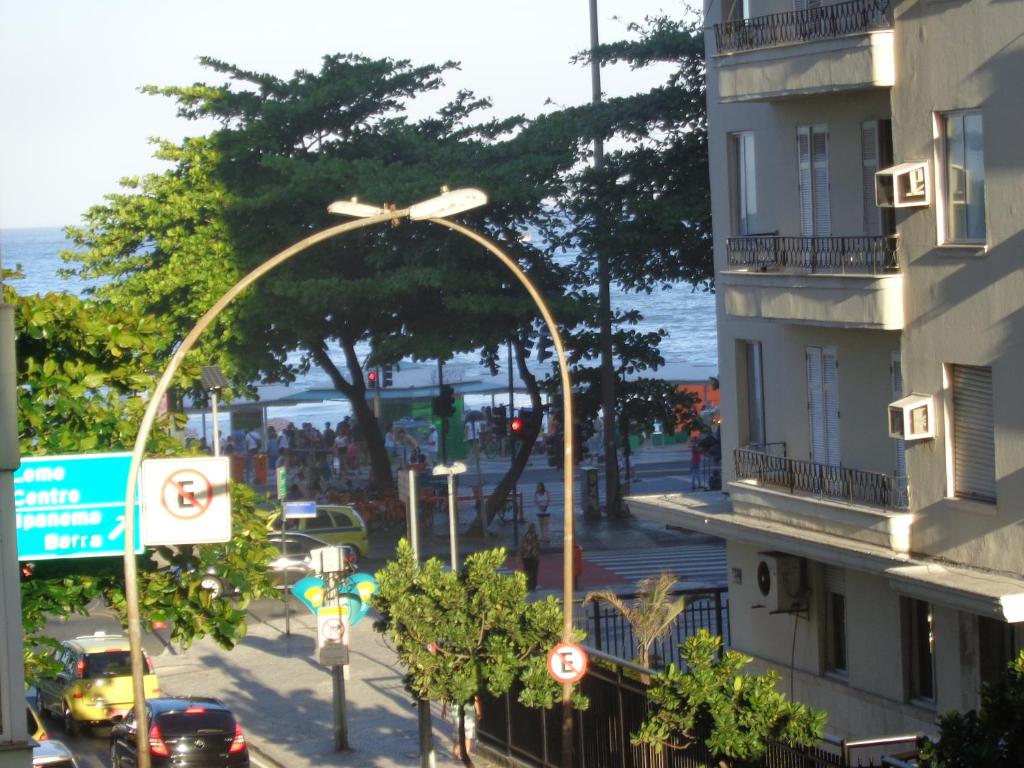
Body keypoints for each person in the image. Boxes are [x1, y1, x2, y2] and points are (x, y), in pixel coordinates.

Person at [519, 523, 541, 590]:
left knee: (527, 572)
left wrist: (520, 555)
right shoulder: (536, 536)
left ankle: (528, 585)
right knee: (534, 572)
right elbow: (538, 546)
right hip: (534, 557)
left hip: (526, 557)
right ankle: (532, 585)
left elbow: (522, 546)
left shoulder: (525, 536)